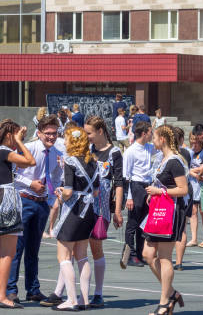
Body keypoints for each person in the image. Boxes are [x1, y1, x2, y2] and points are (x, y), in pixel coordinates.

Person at [7, 114, 63, 304]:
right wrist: (30, 183)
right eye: (47, 133)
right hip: (24, 200)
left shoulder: (56, 154)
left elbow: (55, 177)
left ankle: (33, 289)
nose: (51, 137)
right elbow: (11, 173)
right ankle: (11, 290)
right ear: (39, 133)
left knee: (33, 250)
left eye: (54, 133)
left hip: (41, 204)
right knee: (17, 248)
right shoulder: (28, 149)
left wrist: (52, 196)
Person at [0, 120, 36, 309]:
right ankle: (1, 295)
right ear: (9, 135)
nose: (17, 139)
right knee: (8, 253)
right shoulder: (4, 151)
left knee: (0, 253)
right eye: (15, 135)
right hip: (7, 198)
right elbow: (31, 161)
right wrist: (20, 142)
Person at [52, 126, 100, 311]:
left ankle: (71, 299)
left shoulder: (70, 161)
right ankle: (84, 299)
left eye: (66, 139)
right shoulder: (93, 161)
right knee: (82, 256)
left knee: (63, 255)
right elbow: (95, 192)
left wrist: (60, 193)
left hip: (73, 211)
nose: (64, 142)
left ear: (73, 141)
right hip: (87, 212)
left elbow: (69, 191)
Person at [142, 125, 188, 315]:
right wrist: (153, 194)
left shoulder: (175, 162)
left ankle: (164, 302)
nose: (152, 141)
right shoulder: (163, 160)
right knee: (147, 254)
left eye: (154, 138)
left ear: (162, 139)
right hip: (159, 210)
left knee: (164, 258)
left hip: (171, 212)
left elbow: (183, 190)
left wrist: (159, 191)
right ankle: (171, 293)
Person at [84, 116, 123, 308]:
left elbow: (119, 183)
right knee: (78, 247)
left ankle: (98, 293)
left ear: (100, 132)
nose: (87, 136)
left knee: (95, 247)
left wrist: (117, 210)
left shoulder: (114, 152)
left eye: (89, 133)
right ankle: (81, 292)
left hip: (102, 207)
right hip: (84, 205)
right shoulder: (87, 151)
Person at [121, 121, 155, 269]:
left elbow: (162, 150)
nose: (152, 135)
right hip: (135, 186)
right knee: (133, 224)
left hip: (147, 186)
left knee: (143, 223)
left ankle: (140, 253)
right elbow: (126, 176)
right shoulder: (131, 151)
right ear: (144, 133)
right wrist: (128, 197)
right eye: (150, 132)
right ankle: (130, 254)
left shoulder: (149, 147)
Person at [172, 127, 193, 271]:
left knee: (170, 226)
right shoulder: (187, 152)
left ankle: (167, 258)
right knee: (182, 228)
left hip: (174, 190)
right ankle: (179, 262)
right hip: (187, 190)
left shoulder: (169, 154)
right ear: (181, 139)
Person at [186, 133, 203, 247]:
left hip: (202, 185)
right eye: (192, 140)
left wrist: (194, 170)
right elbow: (185, 168)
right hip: (193, 185)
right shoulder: (190, 152)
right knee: (193, 212)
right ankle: (194, 239)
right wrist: (194, 173)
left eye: (196, 141)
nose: (194, 143)